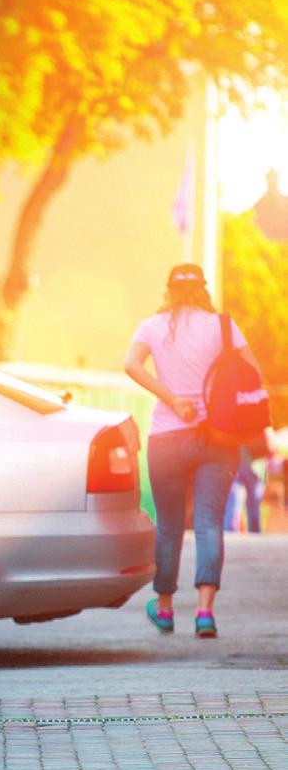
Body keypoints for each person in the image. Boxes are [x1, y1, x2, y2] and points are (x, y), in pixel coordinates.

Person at [123, 263, 262, 638]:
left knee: (168, 527)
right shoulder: (222, 326)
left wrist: (171, 398)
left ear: (169, 290)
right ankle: (204, 613)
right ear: (203, 289)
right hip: (216, 438)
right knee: (207, 523)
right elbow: (252, 371)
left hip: (167, 437)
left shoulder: (152, 326)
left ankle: (165, 610)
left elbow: (130, 364)